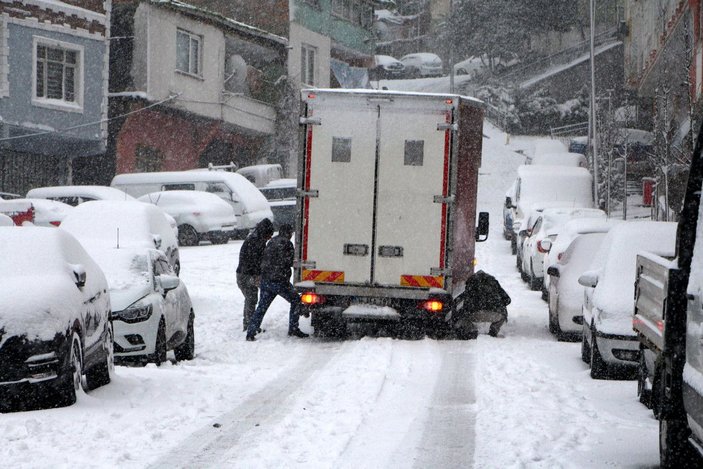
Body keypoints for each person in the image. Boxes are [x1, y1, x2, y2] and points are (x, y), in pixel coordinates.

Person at [246, 224, 308, 341]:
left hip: (266, 281)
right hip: (279, 281)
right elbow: (290, 261)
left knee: (262, 307)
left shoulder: (272, 241)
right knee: (295, 300)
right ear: (288, 233)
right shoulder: (286, 243)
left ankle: (251, 332)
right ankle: (293, 329)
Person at [236, 218, 274, 332]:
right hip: (247, 275)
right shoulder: (256, 242)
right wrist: (259, 275)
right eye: (269, 235)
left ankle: (249, 323)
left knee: (250, 298)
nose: (270, 238)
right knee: (251, 298)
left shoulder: (255, 238)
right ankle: (249, 325)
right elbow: (256, 262)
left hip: (243, 274)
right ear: (265, 232)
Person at [455, 270, 511, 337]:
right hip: (495, 315)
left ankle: (471, 329)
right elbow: (507, 300)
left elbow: (459, 299)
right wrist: (497, 304)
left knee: (462, 315)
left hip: (474, 314)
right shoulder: (494, 283)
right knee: (503, 312)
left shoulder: (471, 284)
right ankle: (494, 328)